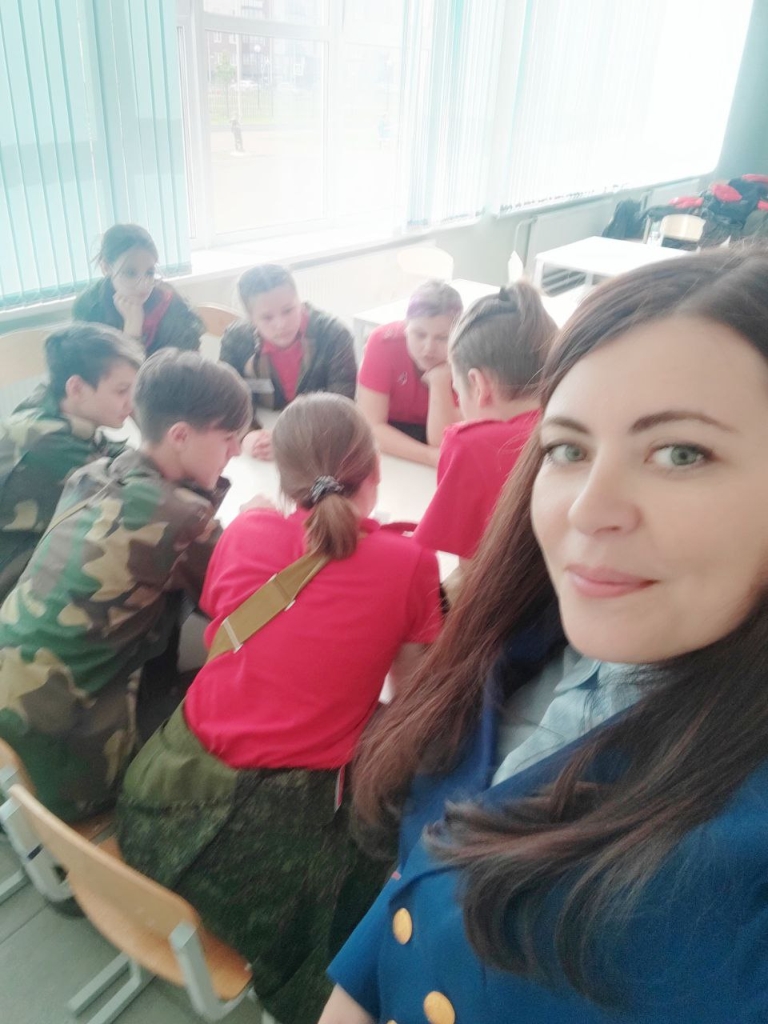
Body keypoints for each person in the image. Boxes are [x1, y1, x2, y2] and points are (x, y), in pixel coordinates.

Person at [319, 246, 768, 1023]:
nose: (588, 508)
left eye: (680, 453)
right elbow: (419, 886)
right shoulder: (523, 644)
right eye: (568, 449)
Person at [117, 393, 442, 1024]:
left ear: (283, 476)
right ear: (374, 470)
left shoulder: (247, 530)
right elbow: (411, 699)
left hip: (157, 804)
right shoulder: (409, 561)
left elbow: (233, 622)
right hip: (268, 857)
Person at [0, 350, 250, 822]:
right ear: (180, 436)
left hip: (14, 718)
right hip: (71, 769)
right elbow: (244, 599)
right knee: (228, 694)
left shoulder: (91, 473)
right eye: (228, 438)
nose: (236, 450)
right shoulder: (182, 517)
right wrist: (255, 521)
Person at [413, 283, 556, 571]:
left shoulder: (471, 444)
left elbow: (471, 571)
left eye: (457, 389)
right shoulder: (576, 425)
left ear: (478, 385)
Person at [0, 324, 142, 605]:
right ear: (76, 388)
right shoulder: (49, 445)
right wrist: (152, 426)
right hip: (12, 583)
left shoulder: (55, 408)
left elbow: (111, 451)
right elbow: (133, 495)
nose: (132, 402)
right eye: (121, 391)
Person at [220, 264, 357, 460]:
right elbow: (226, 400)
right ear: (251, 319)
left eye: (288, 310)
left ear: (299, 301)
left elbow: (341, 407)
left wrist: (290, 440)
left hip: (317, 443)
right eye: (267, 317)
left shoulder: (334, 334)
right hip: (261, 440)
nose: (281, 324)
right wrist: (247, 434)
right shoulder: (235, 339)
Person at [356, 280, 463, 467]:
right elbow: (370, 426)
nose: (428, 348)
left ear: (457, 335)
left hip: (438, 438)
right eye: (419, 335)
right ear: (406, 326)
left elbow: (442, 440)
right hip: (390, 437)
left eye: (442, 338)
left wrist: (439, 380)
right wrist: (428, 456)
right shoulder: (383, 342)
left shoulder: (466, 354)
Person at [72, 223, 204, 355]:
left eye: (150, 273)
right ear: (106, 268)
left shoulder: (171, 304)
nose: (143, 285)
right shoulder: (89, 308)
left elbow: (185, 364)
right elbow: (93, 366)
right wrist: (132, 327)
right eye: (130, 273)